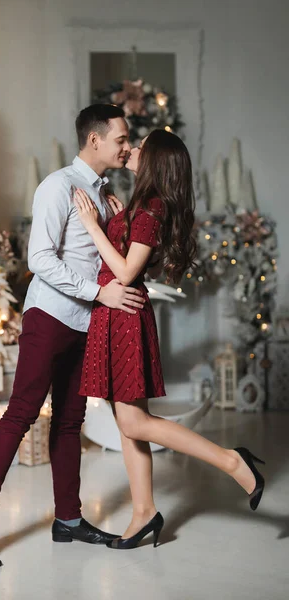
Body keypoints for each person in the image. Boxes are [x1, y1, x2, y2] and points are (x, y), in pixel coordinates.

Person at [0, 104, 148, 567]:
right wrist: (98, 294)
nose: (127, 146)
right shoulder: (59, 186)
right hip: (50, 316)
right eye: (121, 139)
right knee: (22, 413)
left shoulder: (104, 195)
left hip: (86, 323)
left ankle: (68, 520)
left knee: (69, 421)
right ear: (94, 140)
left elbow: (101, 258)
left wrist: (116, 228)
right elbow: (40, 259)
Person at [74, 129, 266, 550]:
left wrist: (93, 225)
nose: (133, 149)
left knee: (133, 422)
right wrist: (118, 220)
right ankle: (144, 512)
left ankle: (232, 461)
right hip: (113, 314)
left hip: (123, 316)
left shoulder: (152, 208)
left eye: (140, 146)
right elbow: (126, 256)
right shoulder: (144, 206)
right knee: (129, 428)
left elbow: (125, 272)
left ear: (156, 160)